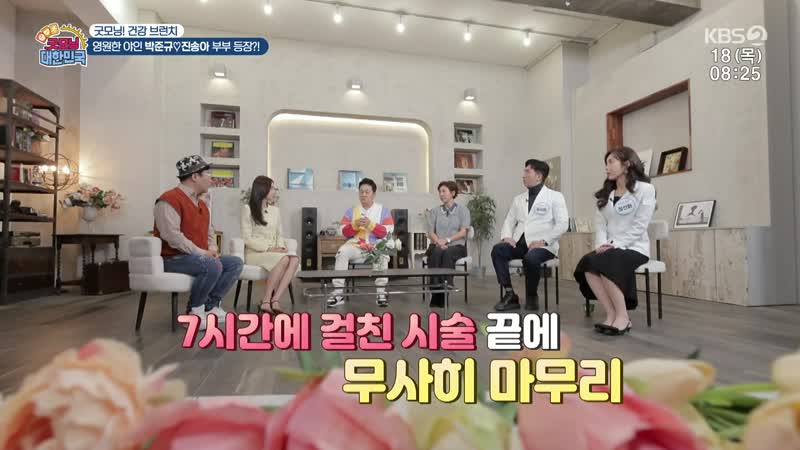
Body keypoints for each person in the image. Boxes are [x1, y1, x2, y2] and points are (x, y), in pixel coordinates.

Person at [153, 155, 243, 330]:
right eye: (207, 174)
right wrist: (203, 253)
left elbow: (210, 231)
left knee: (235, 263)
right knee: (211, 264)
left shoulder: (202, 204)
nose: (211, 178)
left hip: (196, 257)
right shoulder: (169, 199)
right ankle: (194, 312)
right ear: (195, 176)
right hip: (172, 258)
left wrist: (212, 247)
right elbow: (172, 236)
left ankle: (210, 306)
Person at [574, 146, 656, 336]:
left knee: (607, 261)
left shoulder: (645, 189)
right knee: (588, 263)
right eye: (606, 163)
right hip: (610, 247)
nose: (607, 167)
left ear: (627, 164)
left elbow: (640, 225)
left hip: (635, 247)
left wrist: (615, 244)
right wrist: (601, 245)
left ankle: (623, 317)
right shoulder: (605, 195)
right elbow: (601, 226)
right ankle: (611, 314)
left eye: (611, 162)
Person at [492, 159, 568, 311]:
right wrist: (507, 236)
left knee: (531, 258)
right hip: (520, 243)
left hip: (544, 246)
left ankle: (532, 296)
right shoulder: (518, 199)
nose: (523, 175)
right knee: (498, 250)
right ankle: (510, 294)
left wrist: (544, 241)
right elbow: (509, 220)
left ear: (539, 176)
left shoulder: (555, 196)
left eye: (527, 172)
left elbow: (562, 224)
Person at [327, 178, 395, 307]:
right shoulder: (352, 210)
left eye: (367, 192)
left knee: (381, 253)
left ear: (373, 194)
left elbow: (388, 232)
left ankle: (381, 293)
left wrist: (371, 225)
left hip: (375, 245)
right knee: (342, 252)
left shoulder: (383, 210)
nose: (363, 195)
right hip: (356, 246)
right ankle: (338, 293)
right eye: (361, 192)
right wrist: (354, 225)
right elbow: (342, 231)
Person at [241, 175, 299, 314]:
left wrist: (281, 247)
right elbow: (247, 238)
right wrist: (269, 248)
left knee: (295, 259)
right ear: (262, 189)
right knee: (284, 259)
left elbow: (279, 233)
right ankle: (266, 300)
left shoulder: (275, 210)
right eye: (272, 188)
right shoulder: (247, 209)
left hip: (274, 251)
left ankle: (275, 299)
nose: (274, 191)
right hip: (255, 253)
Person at [425, 181, 471, 308]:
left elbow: (463, 232)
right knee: (437, 251)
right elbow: (431, 232)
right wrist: (439, 242)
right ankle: (437, 291)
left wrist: (447, 240)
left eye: (444, 191)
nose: (441, 194)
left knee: (447, 252)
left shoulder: (463, 210)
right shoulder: (434, 211)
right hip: (437, 245)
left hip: (457, 246)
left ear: (453, 193)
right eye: (440, 192)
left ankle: (444, 289)